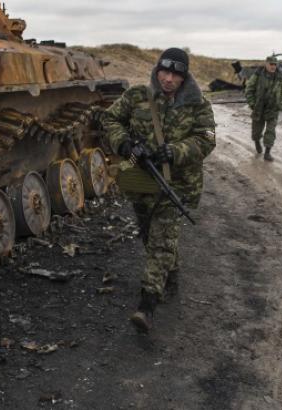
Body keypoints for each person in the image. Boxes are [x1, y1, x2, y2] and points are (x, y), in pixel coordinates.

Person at [103, 48, 216, 332]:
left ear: (184, 77)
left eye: (175, 75)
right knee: (147, 234)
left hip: (175, 183)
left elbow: (207, 139)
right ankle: (170, 271)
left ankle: (148, 303)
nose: (168, 79)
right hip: (140, 181)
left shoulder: (199, 104)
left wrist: (176, 151)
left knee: (163, 238)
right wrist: (124, 144)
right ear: (157, 71)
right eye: (164, 72)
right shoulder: (137, 96)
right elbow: (108, 119)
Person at [245, 55, 282, 161]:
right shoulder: (258, 74)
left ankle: (267, 153)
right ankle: (257, 142)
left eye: (275, 64)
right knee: (256, 132)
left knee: (270, 131)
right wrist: (252, 103)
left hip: (273, 108)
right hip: (259, 108)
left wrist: (280, 105)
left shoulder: (279, 76)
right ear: (266, 64)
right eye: (271, 64)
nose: (273, 66)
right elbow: (249, 89)